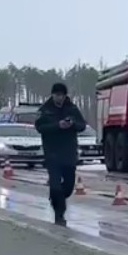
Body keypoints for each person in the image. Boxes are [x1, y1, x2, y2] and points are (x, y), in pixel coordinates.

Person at [34, 82, 88, 225]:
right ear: (52, 95)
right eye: (57, 95)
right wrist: (58, 125)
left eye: (62, 95)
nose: (60, 98)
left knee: (69, 187)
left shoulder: (72, 109)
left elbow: (82, 125)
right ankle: (59, 214)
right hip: (52, 152)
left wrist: (72, 124)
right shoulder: (45, 110)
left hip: (69, 152)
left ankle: (56, 198)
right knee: (56, 184)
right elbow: (39, 127)